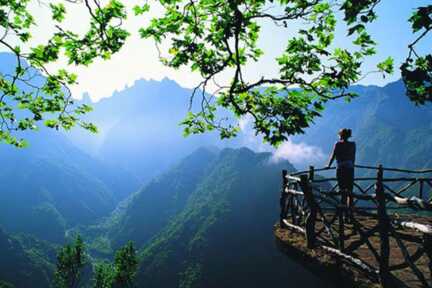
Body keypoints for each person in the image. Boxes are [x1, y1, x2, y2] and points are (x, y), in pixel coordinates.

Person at [327, 128, 356, 212]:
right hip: (350, 169)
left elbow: (333, 156)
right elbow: (353, 157)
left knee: (343, 191)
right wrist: (352, 166)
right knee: (350, 191)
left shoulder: (338, 144)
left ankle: (343, 212)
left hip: (341, 169)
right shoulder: (353, 144)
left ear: (341, 135)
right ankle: (350, 212)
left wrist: (328, 165)